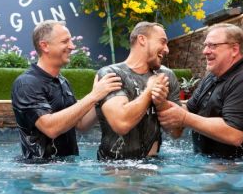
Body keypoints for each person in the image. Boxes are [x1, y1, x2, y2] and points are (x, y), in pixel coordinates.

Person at [158, 23, 243, 159]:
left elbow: (233, 134)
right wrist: (161, 101)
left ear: (234, 49)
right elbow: (189, 108)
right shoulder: (213, 77)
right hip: (212, 162)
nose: (205, 51)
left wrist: (184, 118)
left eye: (213, 45)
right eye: (206, 45)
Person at [11, 20, 122, 161]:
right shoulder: (26, 83)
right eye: (65, 41)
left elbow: (81, 124)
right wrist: (93, 96)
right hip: (39, 172)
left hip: (67, 168)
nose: (72, 46)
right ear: (44, 46)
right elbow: (50, 128)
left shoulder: (62, 81)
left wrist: (101, 97)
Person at [95, 21, 183, 160]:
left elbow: (176, 133)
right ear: (142, 39)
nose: (167, 49)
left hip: (154, 165)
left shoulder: (166, 76)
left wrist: (162, 104)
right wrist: (149, 92)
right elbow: (121, 123)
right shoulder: (111, 73)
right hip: (115, 167)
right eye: (162, 42)